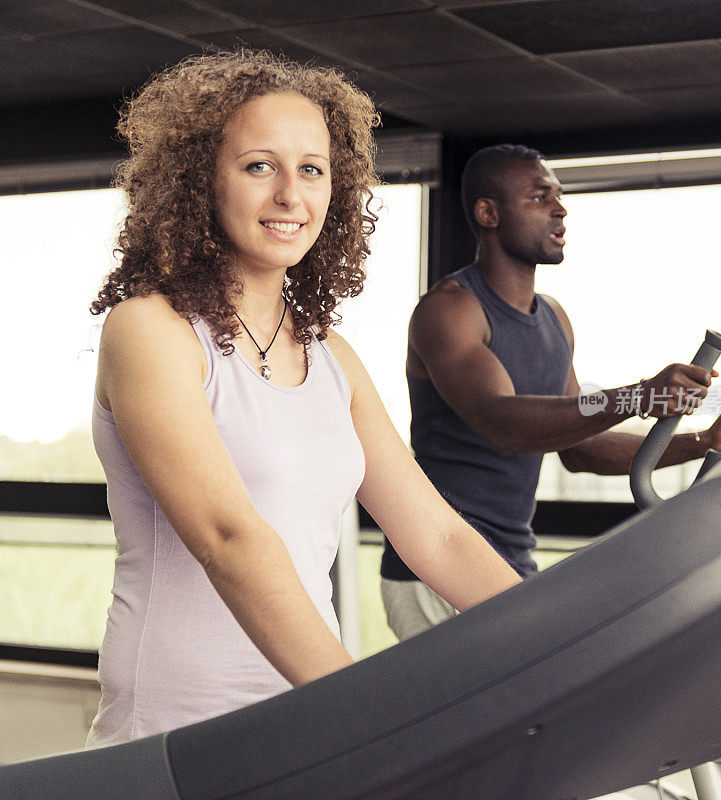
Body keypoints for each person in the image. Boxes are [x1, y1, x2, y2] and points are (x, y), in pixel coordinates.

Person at [85, 51, 522, 747]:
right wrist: (359, 711)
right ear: (201, 181)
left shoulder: (331, 358)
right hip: (178, 734)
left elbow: (437, 536)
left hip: (302, 719)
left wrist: (567, 634)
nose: (292, 194)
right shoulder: (151, 330)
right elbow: (230, 539)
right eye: (260, 165)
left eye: (311, 169)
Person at [380, 143, 721, 641]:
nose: (561, 209)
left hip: (508, 561)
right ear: (488, 212)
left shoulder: (555, 319)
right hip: (434, 564)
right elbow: (501, 424)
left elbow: (580, 447)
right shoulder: (450, 310)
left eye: (560, 197)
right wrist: (640, 395)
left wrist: (700, 443)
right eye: (540, 198)